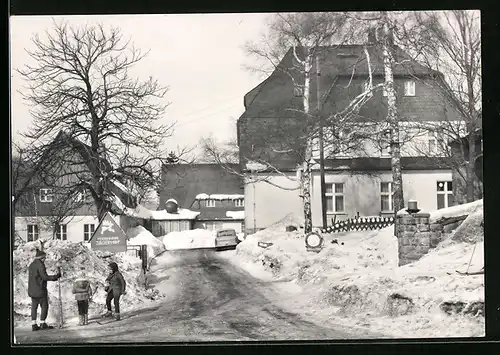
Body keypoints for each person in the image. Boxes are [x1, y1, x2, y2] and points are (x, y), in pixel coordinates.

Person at [28, 249, 62, 331]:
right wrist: (55, 277)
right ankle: (42, 323)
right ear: (41, 258)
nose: (45, 259)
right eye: (44, 258)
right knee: (44, 305)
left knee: (34, 306)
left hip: (32, 290)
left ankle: (34, 324)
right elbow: (44, 277)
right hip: (40, 290)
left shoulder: (31, 265)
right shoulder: (40, 265)